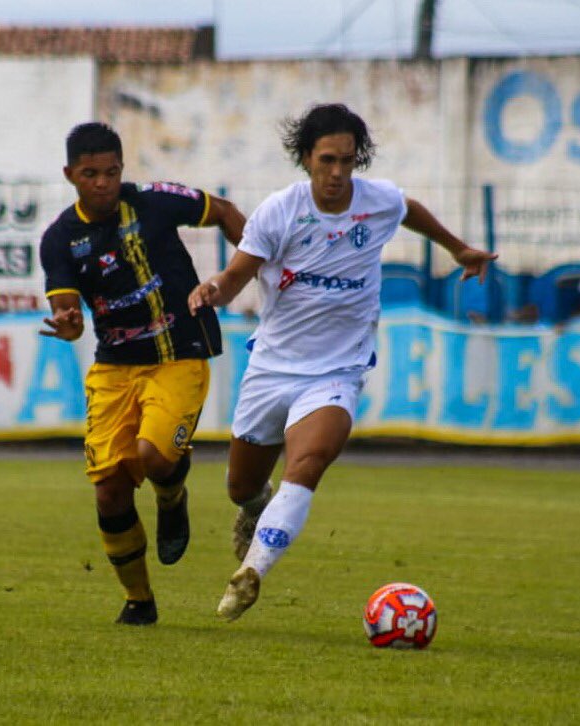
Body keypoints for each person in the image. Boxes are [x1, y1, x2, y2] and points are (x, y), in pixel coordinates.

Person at [187, 103, 497, 622]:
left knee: (308, 464)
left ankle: (252, 572)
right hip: (271, 368)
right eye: (327, 160)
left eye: (348, 162)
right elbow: (238, 274)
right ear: (306, 157)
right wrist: (214, 288)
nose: (337, 173)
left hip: (337, 371)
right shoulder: (278, 211)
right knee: (241, 485)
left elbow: (409, 209)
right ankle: (252, 508)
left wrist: (459, 249)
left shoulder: (376, 203)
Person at [40, 122, 245, 625]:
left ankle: (172, 495)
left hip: (180, 351)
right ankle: (139, 601)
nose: (103, 183)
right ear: (70, 175)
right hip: (114, 367)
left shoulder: (155, 200)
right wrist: (69, 326)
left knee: (152, 456)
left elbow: (224, 213)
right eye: (90, 174)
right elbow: (67, 311)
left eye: (111, 172)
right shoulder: (60, 240)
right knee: (108, 486)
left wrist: (254, 267)